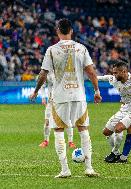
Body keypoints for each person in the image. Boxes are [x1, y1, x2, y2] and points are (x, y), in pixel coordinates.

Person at [30, 18, 102, 178]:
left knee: (59, 131)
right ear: (71, 31)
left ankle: (65, 170)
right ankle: (89, 167)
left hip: (60, 96)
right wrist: (97, 90)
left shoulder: (51, 50)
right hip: (78, 95)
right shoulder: (81, 48)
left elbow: (43, 73)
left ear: (57, 31)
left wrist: (36, 91)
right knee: (83, 129)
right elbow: (91, 71)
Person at [38, 72, 76, 149]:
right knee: (47, 121)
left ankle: (71, 142)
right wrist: (43, 97)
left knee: (67, 121)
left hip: (63, 101)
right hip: (51, 102)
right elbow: (42, 85)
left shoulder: (63, 71)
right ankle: (46, 141)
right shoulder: (47, 72)